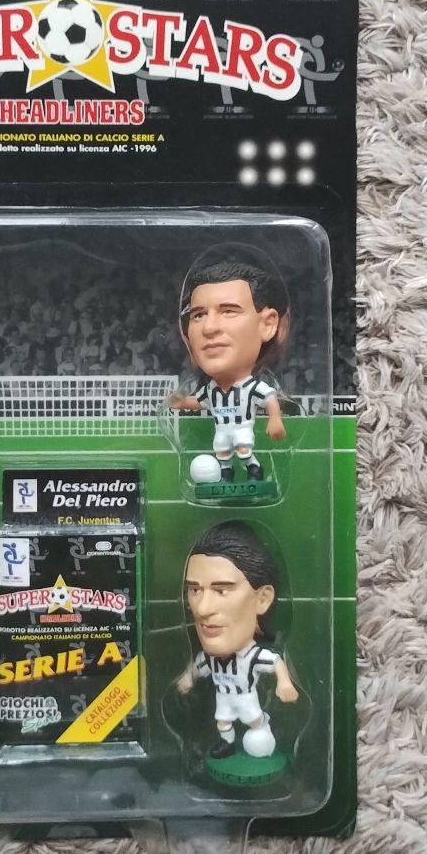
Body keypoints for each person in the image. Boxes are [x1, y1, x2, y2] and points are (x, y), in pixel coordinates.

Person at [177, 521, 298, 759]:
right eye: (194, 590)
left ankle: (261, 730)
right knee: (223, 721)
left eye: (221, 590)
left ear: (262, 599)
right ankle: (227, 743)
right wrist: (186, 678)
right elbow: (197, 668)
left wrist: (285, 683)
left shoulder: (253, 656)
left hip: (246, 698)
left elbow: (275, 663)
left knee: (253, 720)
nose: (202, 609)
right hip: (224, 697)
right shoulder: (208, 659)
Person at [168, 257, 290, 481]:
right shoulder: (211, 390)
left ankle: (254, 470)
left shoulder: (250, 386)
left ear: (267, 324)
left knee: (243, 449)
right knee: (222, 452)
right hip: (222, 430)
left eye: (228, 311)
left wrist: (275, 419)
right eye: (198, 315)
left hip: (242, 428)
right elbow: (199, 402)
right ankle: (226, 474)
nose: (209, 328)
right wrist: (181, 402)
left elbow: (269, 398)